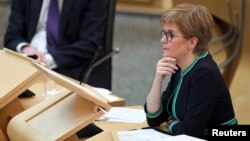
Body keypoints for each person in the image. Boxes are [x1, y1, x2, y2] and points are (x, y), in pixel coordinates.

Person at [144, 3, 237, 139]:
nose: (162, 40)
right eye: (164, 33)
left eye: (170, 35)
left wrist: (170, 122)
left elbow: (190, 132)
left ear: (192, 42)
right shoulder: (179, 65)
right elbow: (154, 119)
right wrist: (158, 79)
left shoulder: (205, 73)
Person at [4, 0, 109, 90]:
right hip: (26, 63)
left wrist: (47, 60)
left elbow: (89, 44)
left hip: (65, 68)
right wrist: (25, 48)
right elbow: (12, 35)